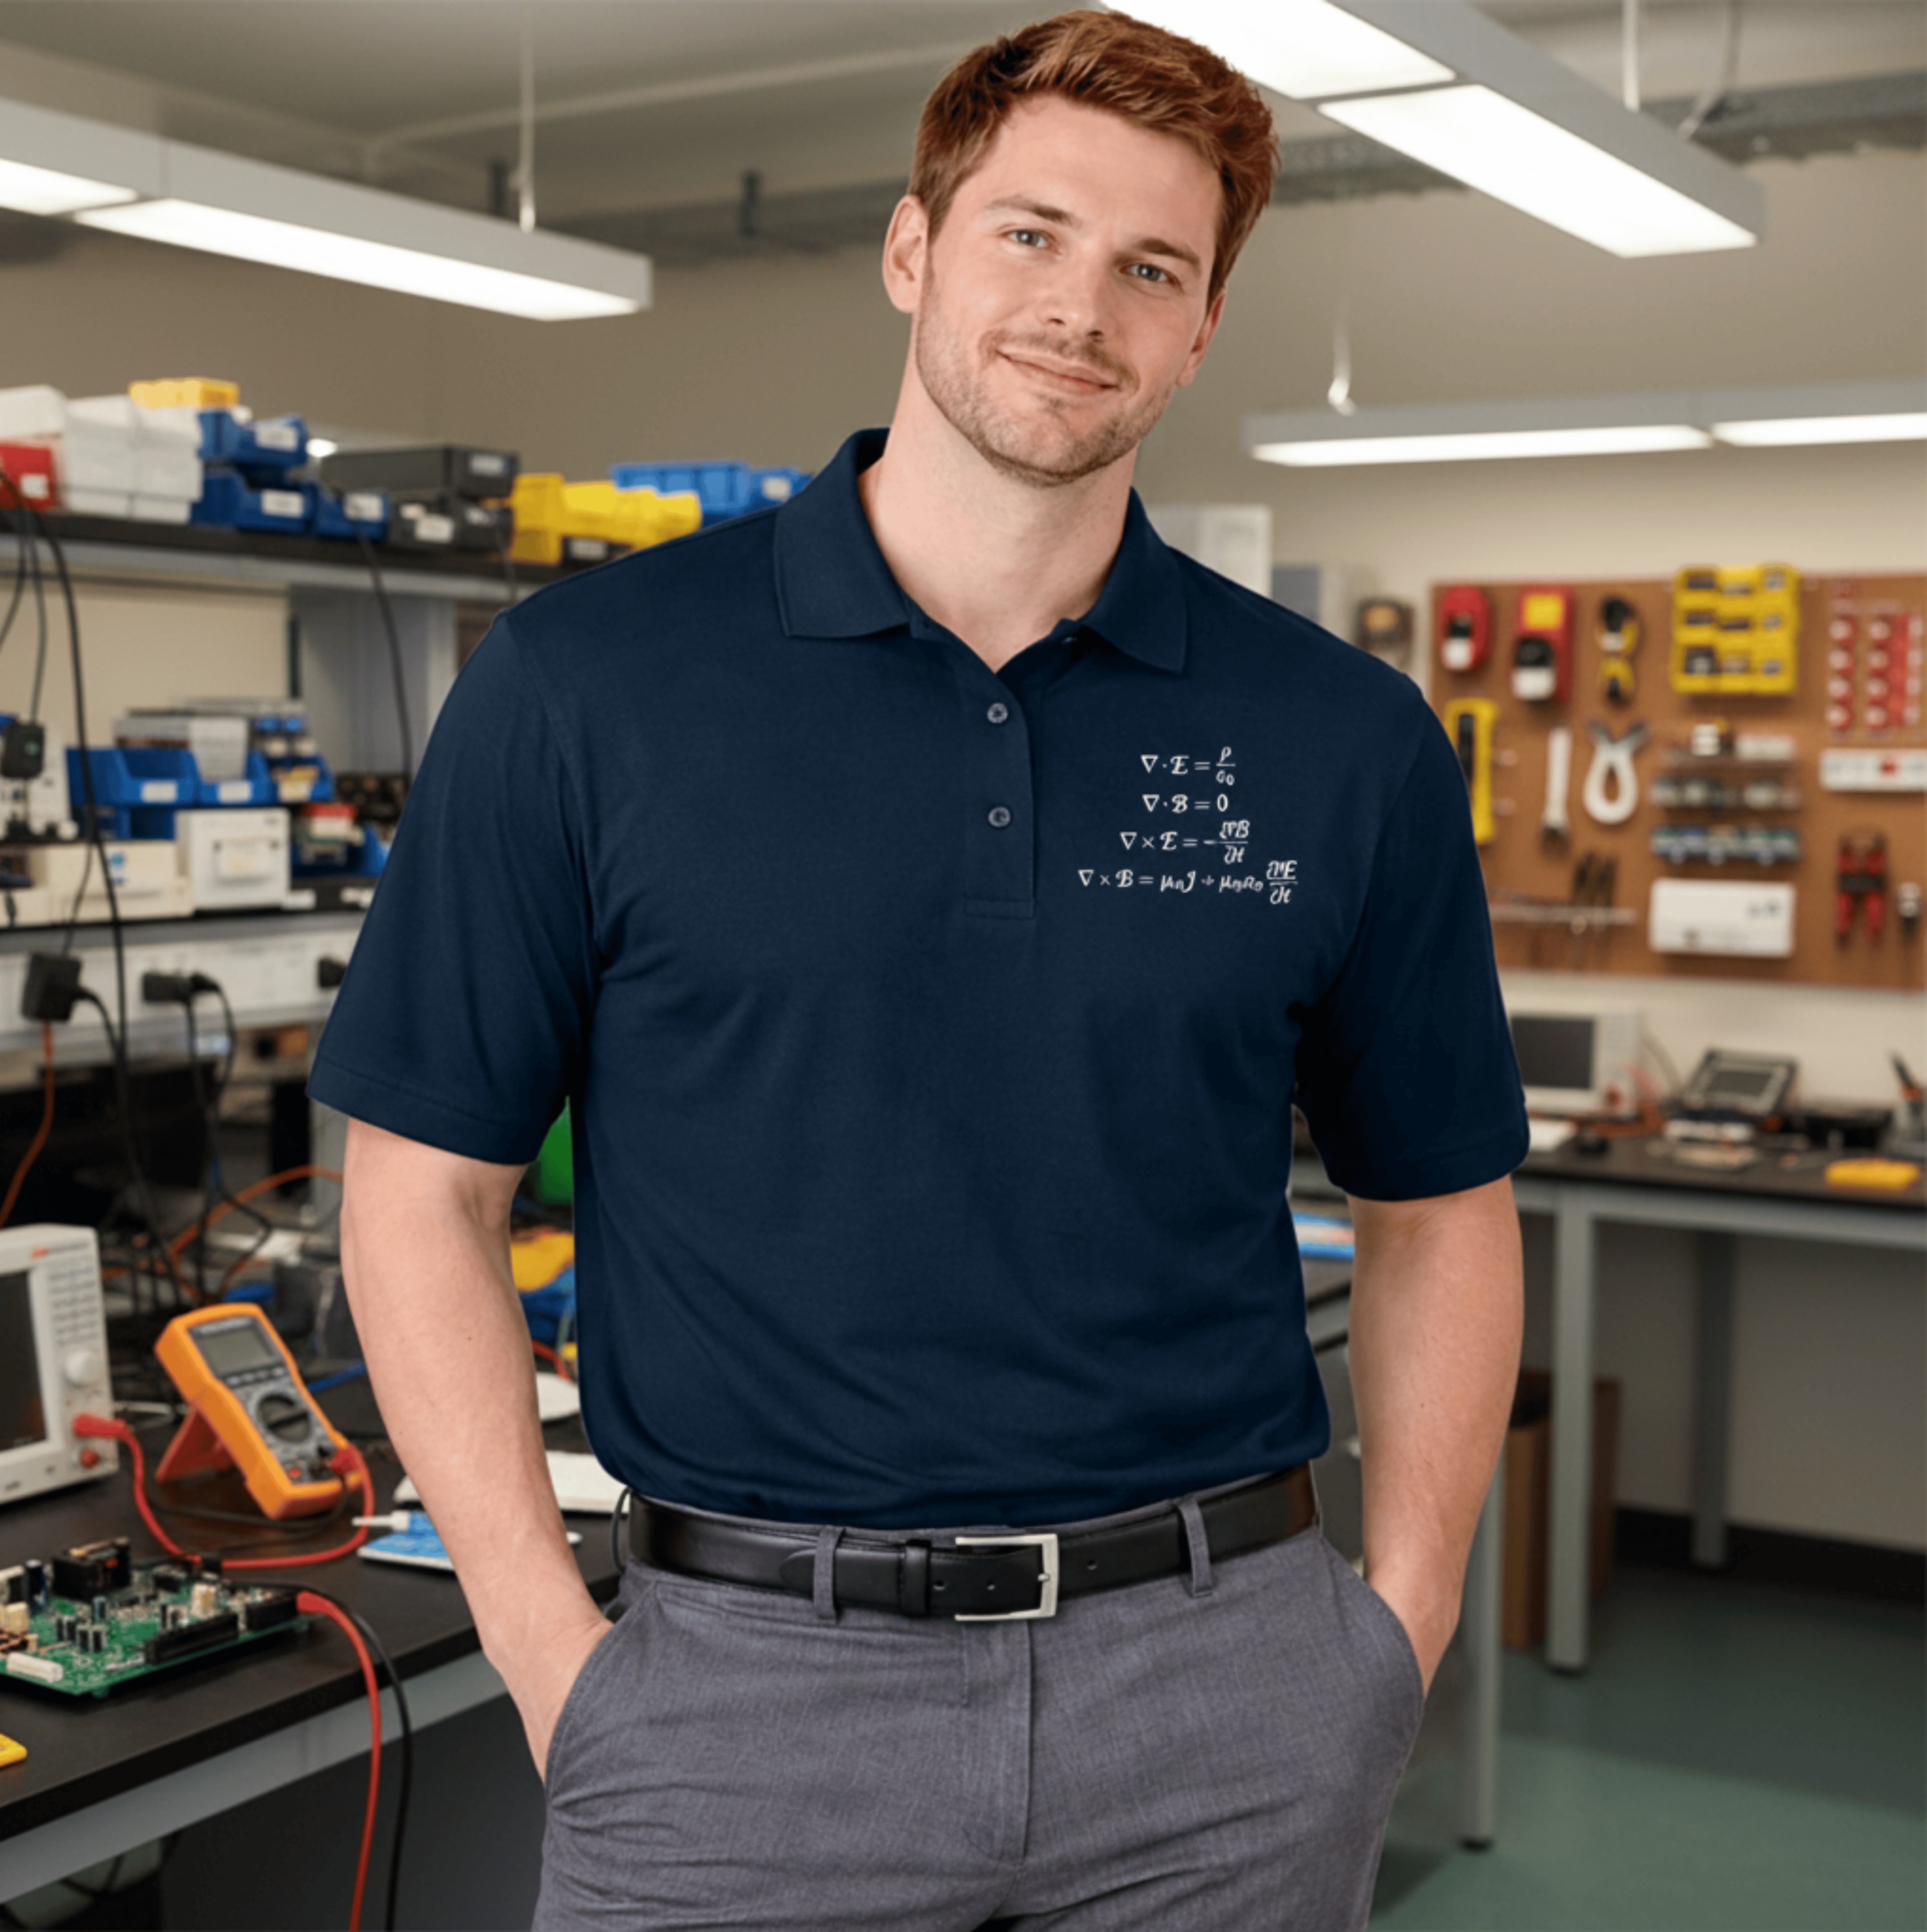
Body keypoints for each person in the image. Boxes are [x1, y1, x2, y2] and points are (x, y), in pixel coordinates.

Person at [311, 11, 1527, 1928]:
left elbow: (1439, 1199)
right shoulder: (588, 687)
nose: (1082, 308)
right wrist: (558, 1657)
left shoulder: (1342, 736)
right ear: (912, 251)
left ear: (1202, 326)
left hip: (1225, 1705)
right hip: (742, 1707)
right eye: (1028, 235)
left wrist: (1400, 1620)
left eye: (1152, 267)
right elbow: (418, 1195)